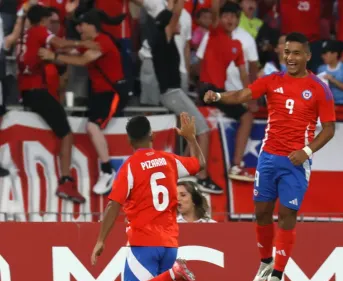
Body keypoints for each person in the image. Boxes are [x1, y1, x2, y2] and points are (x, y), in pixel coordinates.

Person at [204, 32, 336, 281]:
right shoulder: (272, 81)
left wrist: (307, 151)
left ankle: (277, 274)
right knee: (261, 213)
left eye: (296, 53)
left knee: (286, 216)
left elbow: (330, 129)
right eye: (287, 52)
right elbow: (242, 94)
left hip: (295, 163)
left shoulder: (319, 88)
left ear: (307, 56)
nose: (290, 57)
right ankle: (265, 261)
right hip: (268, 158)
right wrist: (217, 95)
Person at [90, 113, 205, 281]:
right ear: (151, 135)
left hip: (144, 243)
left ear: (129, 141)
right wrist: (191, 138)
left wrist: (101, 240)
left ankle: (174, 274)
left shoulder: (130, 166)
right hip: (170, 244)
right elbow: (199, 164)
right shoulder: (169, 160)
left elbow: (113, 205)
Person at [135, 0, 222, 194]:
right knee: (204, 132)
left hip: (174, 93)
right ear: (169, 25)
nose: (180, 25)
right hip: (172, 94)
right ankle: (203, 177)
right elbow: (175, 14)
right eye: (176, 23)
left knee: (195, 133)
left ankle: (186, 171)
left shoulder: (165, 40)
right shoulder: (163, 38)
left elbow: (173, 17)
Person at [39, 9, 129, 195]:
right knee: (90, 126)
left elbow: (81, 60)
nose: (79, 28)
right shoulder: (90, 42)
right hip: (98, 94)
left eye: (81, 25)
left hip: (112, 93)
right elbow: (70, 49)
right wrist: (52, 44)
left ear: (91, 25)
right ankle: (106, 170)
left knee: (92, 127)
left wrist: (53, 57)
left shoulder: (102, 42)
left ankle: (107, 170)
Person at [18, 4, 98, 203]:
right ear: (43, 20)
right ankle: (66, 180)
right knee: (66, 132)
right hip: (36, 91)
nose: (50, 25)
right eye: (48, 21)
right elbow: (60, 44)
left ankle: (65, 179)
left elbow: (57, 56)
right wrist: (85, 44)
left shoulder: (28, 35)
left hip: (28, 90)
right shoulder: (39, 31)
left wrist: (71, 52)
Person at [197, 1, 255, 182]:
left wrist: (250, 96)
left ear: (239, 20)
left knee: (244, 113)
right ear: (220, 19)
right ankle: (236, 165)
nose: (230, 19)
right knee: (246, 117)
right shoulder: (215, 33)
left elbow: (244, 74)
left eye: (233, 16)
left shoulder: (237, 45)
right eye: (226, 15)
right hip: (208, 89)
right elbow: (214, 9)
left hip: (218, 92)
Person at [317, 40, 343, 105]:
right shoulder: (321, 69)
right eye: (322, 54)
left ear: (335, 54)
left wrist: (333, 80)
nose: (323, 56)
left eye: (325, 53)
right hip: (326, 105)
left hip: (342, 104)